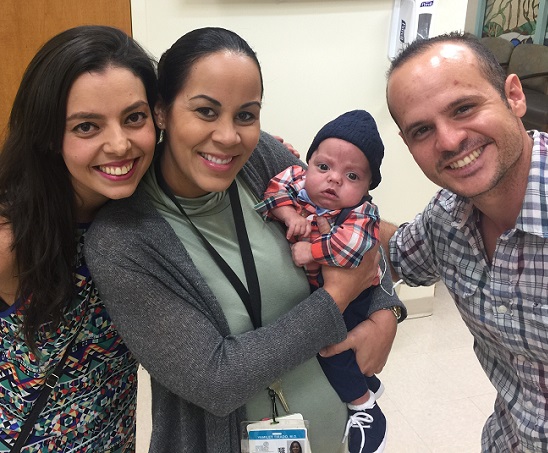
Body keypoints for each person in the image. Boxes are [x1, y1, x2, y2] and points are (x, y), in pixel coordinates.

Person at [84, 27, 404, 453]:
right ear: (161, 111)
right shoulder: (123, 241)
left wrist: (386, 311)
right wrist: (336, 300)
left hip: (336, 435)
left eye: (246, 114)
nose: (229, 136)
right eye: (206, 111)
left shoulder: (260, 162)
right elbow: (216, 379)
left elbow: (357, 217)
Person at [323, 31, 548, 452]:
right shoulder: (447, 217)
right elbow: (394, 249)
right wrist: (308, 191)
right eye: (422, 130)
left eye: (464, 108)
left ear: (513, 96)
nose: (448, 141)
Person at [0, 25, 158, 452]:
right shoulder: (12, 236)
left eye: (134, 117)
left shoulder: (147, 208)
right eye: (87, 126)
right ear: (50, 136)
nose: (120, 144)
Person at [255, 109, 405, 453]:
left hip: (354, 301)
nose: (333, 179)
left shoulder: (362, 213)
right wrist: (290, 214)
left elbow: (353, 251)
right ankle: (367, 382)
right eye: (323, 167)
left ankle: (364, 407)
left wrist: (311, 250)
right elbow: (276, 189)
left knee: (331, 352)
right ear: (309, 163)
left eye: (351, 175)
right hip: (318, 293)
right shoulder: (297, 178)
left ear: (368, 187)